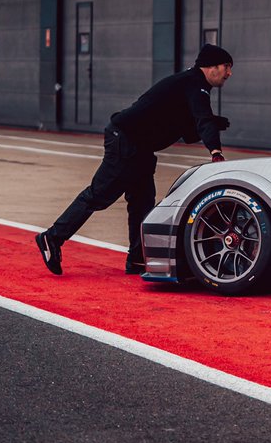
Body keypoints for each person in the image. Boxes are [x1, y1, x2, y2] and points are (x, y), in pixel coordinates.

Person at [35, 44, 234, 276]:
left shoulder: (191, 85)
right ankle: (52, 238)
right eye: (227, 67)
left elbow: (189, 130)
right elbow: (202, 121)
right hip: (126, 139)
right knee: (99, 195)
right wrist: (215, 151)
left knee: (142, 202)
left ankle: (137, 259)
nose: (229, 73)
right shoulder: (194, 84)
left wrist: (213, 123)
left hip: (140, 147)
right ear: (211, 67)